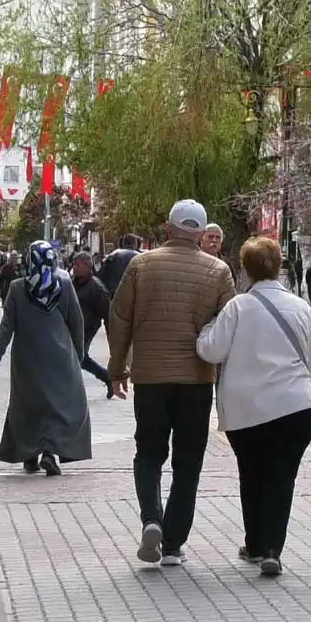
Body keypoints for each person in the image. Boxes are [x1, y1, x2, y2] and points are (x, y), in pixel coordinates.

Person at [108, 199, 235, 567]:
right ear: (202, 233)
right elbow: (229, 327)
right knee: (188, 460)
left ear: (167, 228)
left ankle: (151, 518)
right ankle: (174, 542)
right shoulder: (219, 271)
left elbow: (119, 319)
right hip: (196, 380)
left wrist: (117, 368)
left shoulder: (140, 265)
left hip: (150, 377)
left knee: (149, 452)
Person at [195, 237, 311, 577]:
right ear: (279, 266)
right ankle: (271, 550)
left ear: (245, 269)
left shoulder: (237, 308)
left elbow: (211, 350)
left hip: (246, 409)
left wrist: (205, 329)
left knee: (251, 474)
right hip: (295, 406)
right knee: (282, 477)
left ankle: (254, 544)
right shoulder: (300, 307)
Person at [0, 241, 91, 476]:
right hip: (60, 356)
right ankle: (50, 452)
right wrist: (78, 354)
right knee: (59, 405)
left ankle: (30, 454)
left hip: (27, 357)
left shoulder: (17, 288)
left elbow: (7, 326)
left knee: (29, 406)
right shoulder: (64, 285)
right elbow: (76, 321)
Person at [71, 252, 113, 397]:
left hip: (87, 328)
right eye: (73, 264)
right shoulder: (72, 283)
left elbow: (108, 315)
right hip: (71, 326)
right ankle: (106, 377)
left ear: (87, 267)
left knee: (77, 357)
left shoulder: (97, 288)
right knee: (80, 358)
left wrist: (112, 342)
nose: (74, 267)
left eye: (77, 265)